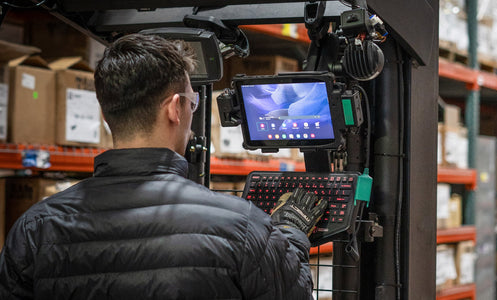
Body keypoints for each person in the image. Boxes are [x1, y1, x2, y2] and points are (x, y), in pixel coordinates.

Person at [0, 33, 326, 299]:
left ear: (105, 113)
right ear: (175, 109)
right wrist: (292, 234)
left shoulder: (34, 228)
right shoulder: (241, 227)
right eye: (192, 103)